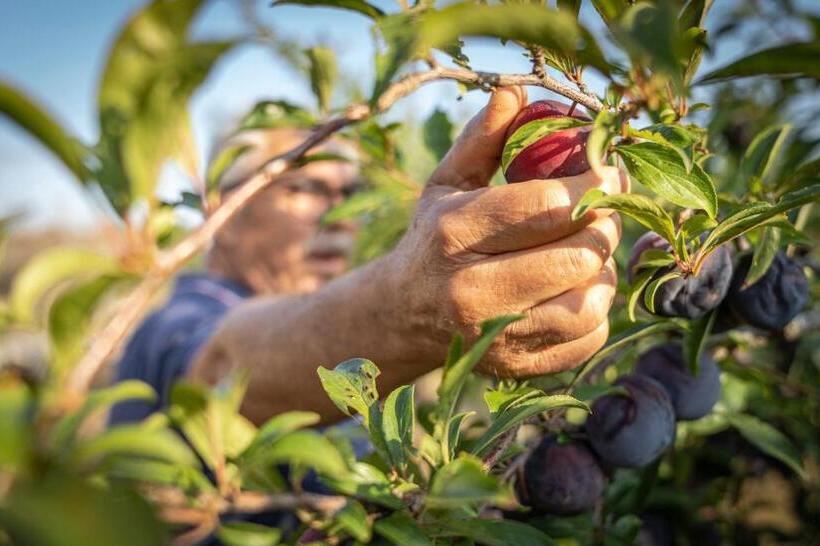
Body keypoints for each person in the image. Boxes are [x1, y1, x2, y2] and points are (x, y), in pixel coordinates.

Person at [111, 86, 627, 426]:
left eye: (348, 193)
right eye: (308, 188)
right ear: (224, 211)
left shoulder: (355, 363)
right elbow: (224, 367)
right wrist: (408, 312)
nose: (340, 217)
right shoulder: (173, 325)